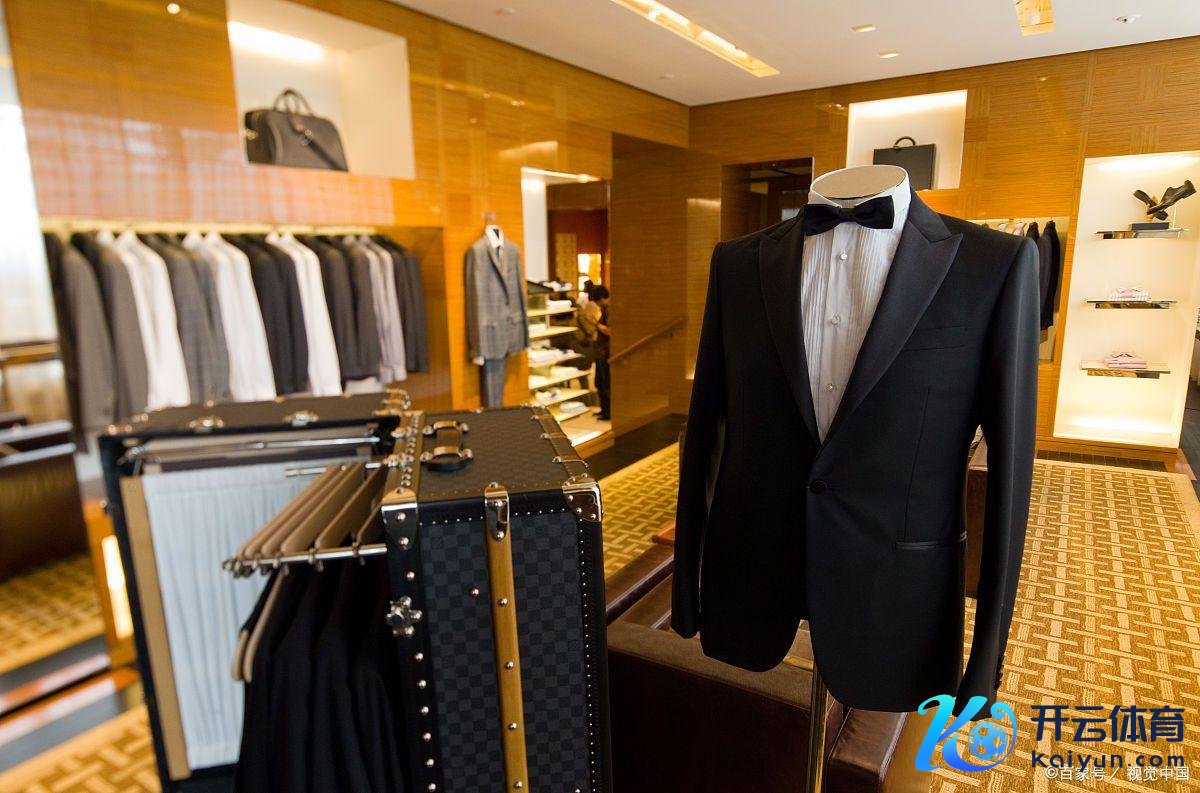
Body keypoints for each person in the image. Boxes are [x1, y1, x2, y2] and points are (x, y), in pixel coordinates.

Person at [579, 285, 610, 421]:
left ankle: (608, 412)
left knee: (606, 383)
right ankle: (604, 410)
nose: (597, 305)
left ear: (602, 298)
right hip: (600, 351)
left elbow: (609, 331)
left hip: (606, 351)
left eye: (597, 301)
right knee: (599, 382)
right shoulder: (604, 309)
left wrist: (594, 323)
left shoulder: (610, 310)